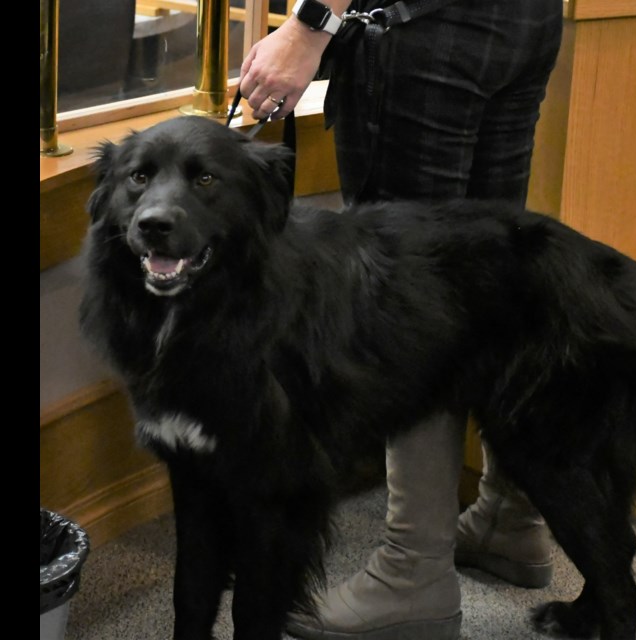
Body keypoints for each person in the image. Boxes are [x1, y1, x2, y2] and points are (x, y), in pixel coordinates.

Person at [239, 1, 564, 637]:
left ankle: (414, 572)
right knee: (485, 277)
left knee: (407, 299)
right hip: (524, 20)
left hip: (427, 32)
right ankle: (508, 519)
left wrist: (309, 27)